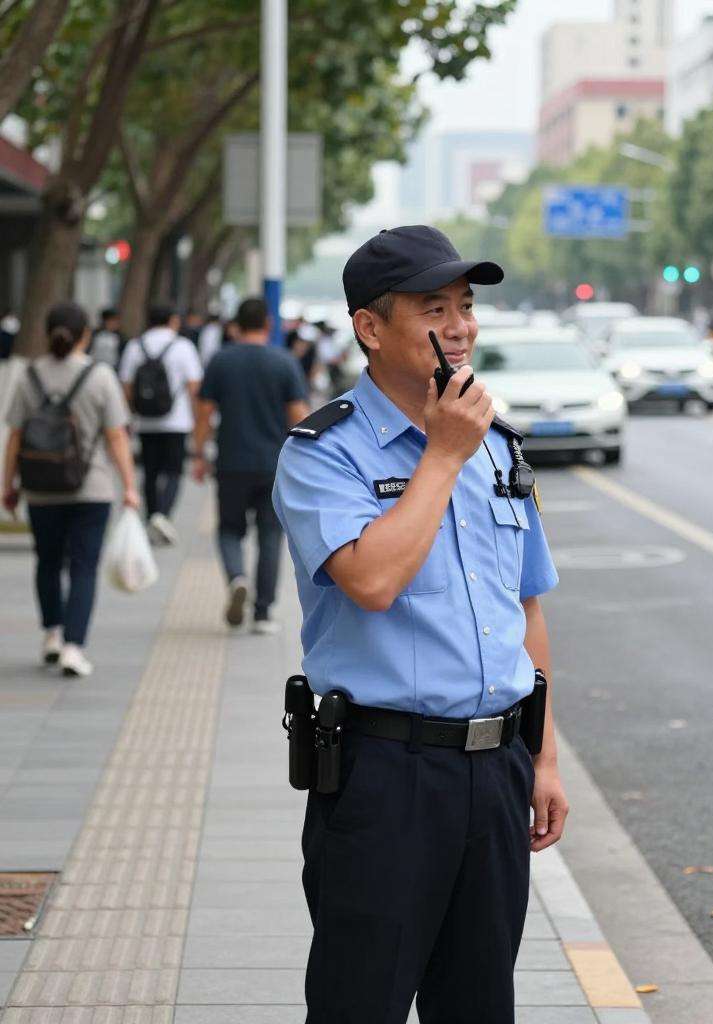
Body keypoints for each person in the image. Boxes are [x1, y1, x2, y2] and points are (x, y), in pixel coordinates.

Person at [273, 225, 569, 1024]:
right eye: (434, 308)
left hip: (496, 770)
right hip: (384, 774)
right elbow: (370, 581)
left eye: (468, 306)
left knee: (478, 1006)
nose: (462, 326)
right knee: (359, 1003)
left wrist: (541, 760)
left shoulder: (497, 447)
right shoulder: (321, 452)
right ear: (371, 328)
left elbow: (525, 609)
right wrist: (441, 457)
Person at [2, 301, 140, 678]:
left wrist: (8, 485)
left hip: (40, 489)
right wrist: (129, 486)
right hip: (90, 489)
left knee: (47, 562)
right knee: (83, 568)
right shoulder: (100, 376)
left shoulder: (29, 375)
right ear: (86, 335)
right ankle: (73, 648)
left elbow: (15, 436)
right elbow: (116, 437)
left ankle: (51, 633)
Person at [192, 296, 309, 632]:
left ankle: (236, 578)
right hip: (274, 464)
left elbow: (204, 413)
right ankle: (262, 613)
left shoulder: (221, 361)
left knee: (229, 529)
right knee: (270, 535)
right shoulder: (284, 362)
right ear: (268, 325)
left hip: (231, 462)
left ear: (235, 326)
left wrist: (199, 454)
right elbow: (299, 415)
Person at [119, 305, 203, 545]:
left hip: (145, 422)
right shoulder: (183, 347)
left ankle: (151, 517)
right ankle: (162, 516)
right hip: (177, 422)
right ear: (173, 321)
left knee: (150, 472)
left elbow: (126, 386)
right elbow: (194, 387)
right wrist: (196, 420)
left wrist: (129, 415)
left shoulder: (135, 347)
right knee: (174, 472)